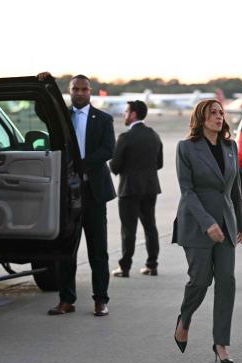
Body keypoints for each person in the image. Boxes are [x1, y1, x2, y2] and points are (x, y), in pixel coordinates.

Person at [172, 99, 242, 363]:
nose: (218, 116)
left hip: (227, 224)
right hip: (196, 225)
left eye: (220, 112)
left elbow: (235, 190)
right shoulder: (186, 148)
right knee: (200, 281)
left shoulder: (230, 146)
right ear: (201, 118)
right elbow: (187, 191)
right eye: (212, 113)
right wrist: (207, 223)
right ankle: (185, 317)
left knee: (227, 281)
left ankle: (221, 343)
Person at [39, 73, 116, 316]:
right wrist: (45, 87)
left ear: (90, 92)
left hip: (93, 193)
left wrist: (81, 164)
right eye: (75, 89)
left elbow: (108, 149)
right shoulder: (62, 118)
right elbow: (41, 111)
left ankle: (100, 300)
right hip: (68, 194)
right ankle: (66, 299)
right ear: (70, 92)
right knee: (66, 249)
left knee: (98, 251)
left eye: (84, 89)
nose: (80, 93)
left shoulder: (103, 119)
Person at [110, 100, 163, 277]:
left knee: (128, 229)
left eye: (126, 112)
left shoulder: (125, 137)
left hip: (129, 188)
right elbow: (159, 163)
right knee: (150, 226)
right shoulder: (154, 135)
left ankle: (125, 267)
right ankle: (152, 264)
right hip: (150, 187)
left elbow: (115, 166)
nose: (124, 115)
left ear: (133, 114)